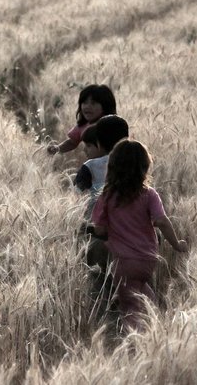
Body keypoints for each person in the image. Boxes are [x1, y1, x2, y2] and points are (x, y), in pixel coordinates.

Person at [91, 139, 188, 332]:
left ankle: (136, 341)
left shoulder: (108, 196)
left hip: (124, 262)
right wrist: (176, 244)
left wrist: (99, 230)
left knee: (130, 306)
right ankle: (157, 324)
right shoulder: (149, 195)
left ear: (112, 167)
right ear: (144, 167)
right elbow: (161, 221)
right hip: (148, 259)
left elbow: (100, 230)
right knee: (142, 292)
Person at [74, 115, 129, 309]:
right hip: (128, 225)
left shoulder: (89, 167)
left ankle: (102, 306)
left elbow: (76, 196)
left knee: (97, 269)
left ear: (98, 143)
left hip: (98, 226)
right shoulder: (133, 162)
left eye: (88, 146)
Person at [47, 84, 116, 156]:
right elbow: (72, 142)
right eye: (84, 103)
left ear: (105, 106)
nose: (87, 106)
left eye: (93, 103)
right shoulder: (83, 126)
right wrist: (57, 148)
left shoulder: (112, 124)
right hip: (92, 165)